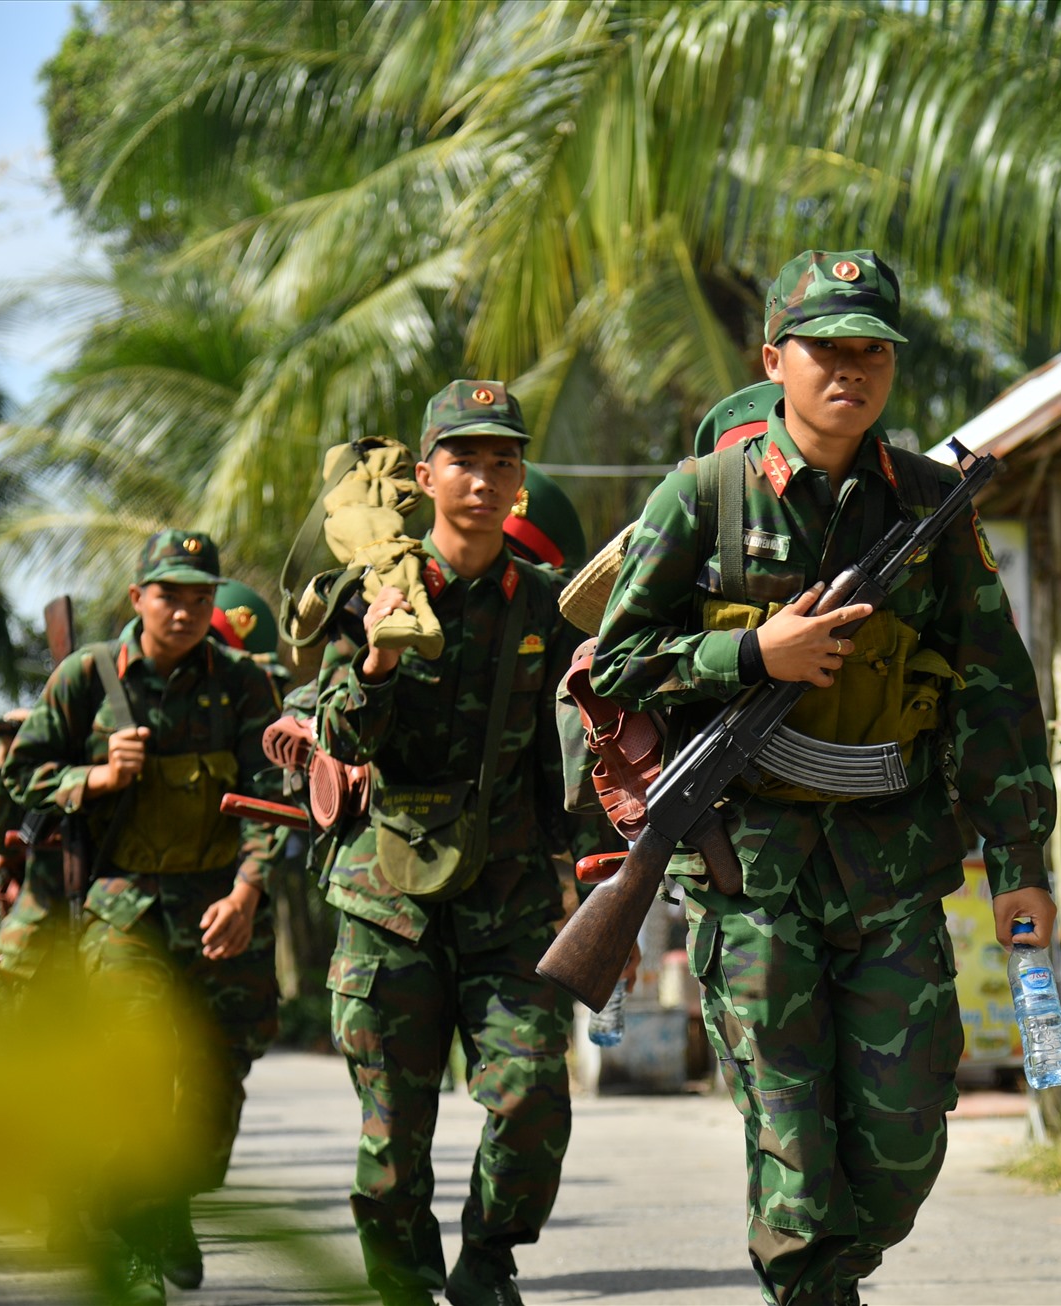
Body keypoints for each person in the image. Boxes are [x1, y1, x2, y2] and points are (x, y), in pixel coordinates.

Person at [589, 249, 1056, 1306]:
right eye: (826, 347)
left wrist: (1019, 862)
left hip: (892, 866)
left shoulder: (932, 509)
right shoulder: (700, 494)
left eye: (872, 350)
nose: (850, 367)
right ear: (774, 359)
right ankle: (808, 1286)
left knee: (899, 1149)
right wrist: (754, 655)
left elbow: (993, 692)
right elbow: (611, 666)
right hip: (750, 873)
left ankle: (825, 1282)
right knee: (795, 1159)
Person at [311, 380, 594, 1306]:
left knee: (531, 1096)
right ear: (426, 475)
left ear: (520, 481)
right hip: (385, 899)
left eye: (502, 460)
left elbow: (577, 751)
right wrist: (379, 657)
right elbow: (341, 741)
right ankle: (398, 1282)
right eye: (464, 460)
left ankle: (487, 1262)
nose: (484, 477)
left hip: (508, 897)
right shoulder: (373, 591)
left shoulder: (551, 607)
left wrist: (594, 871)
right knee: (393, 1140)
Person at [3, 529, 281, 1304]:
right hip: (122, 908)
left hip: (220, 910)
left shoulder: (244, 684)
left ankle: (167, 1202)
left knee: (216, 1085)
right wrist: (92, 778)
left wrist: (249, 891)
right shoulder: (86, 677)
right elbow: (19, 774)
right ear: (138, 598)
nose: (186, 610)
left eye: (201, 596)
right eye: (170, 594)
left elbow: (273, 796)